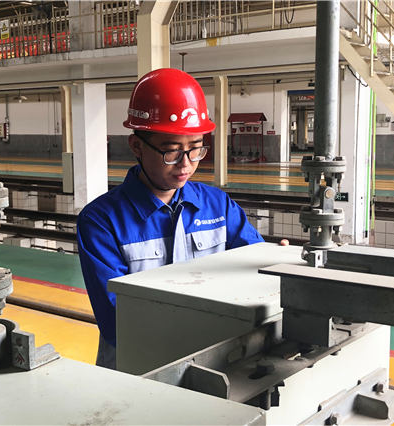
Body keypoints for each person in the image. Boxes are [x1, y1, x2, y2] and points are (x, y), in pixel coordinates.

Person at [76, 68, 264, 369]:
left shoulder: (218, 206)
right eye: (172, 152)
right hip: (137, 370)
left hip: (216, 363)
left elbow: (258, 269)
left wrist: (279, 264)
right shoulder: (102, 222)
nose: (186, 165)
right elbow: (117, 320)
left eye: (196, 150)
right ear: (137, 146)